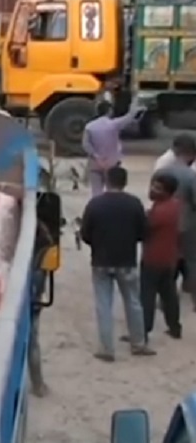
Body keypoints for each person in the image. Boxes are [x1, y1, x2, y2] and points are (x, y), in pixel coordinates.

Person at [79, 166, 155, 360]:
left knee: (103, 304)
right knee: (133, 301)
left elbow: (85, 233)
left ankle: (106, 348)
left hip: (101, 260)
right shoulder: (134, 204)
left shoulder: (95, 204)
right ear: (125, 182)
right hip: (126, 259)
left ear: (107, 181)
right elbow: (143, 232)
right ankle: (138, 343)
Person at [141, 172, 183, 340]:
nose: (152, 190)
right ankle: (174, 327)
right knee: (169, 294)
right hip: (170, 257)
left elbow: (145, 229)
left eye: (157, 188)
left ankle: (143, 329)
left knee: (147, 295)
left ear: (167, 191)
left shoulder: (159, 212)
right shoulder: (176, 205)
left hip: (153, 258)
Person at [156, 134, 196, 308]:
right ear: (189, 153)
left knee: (166, 261)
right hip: (187, 224)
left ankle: (164, 298)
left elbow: (153, 196)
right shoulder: (190, 175)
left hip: (165, 221)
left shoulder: (161, 172)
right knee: (191, 261)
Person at [81, 100, 142, 197]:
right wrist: (134, 106)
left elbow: (85, 145)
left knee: (96, 192)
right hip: (112, 163)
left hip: (95, 163)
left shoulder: (89, 126)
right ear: (109, 111)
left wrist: (96, 156)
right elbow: (129, 118)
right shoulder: (114, 124)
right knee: (112, 191)